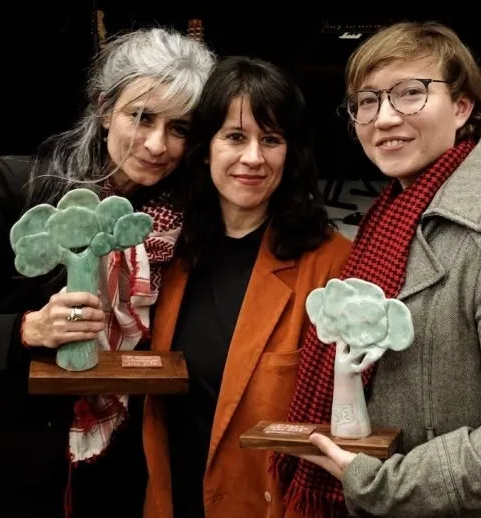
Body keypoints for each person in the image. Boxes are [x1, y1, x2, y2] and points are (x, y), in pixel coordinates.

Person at [271, 21, 481, 518]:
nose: (385, 118)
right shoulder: (391, 216)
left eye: (411, 93)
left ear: (462, 106)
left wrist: (380, 484)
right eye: (367, 101)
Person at [0, 27, 215, 518]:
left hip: (123, 460)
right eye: (141, 117)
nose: (157, 144)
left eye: (179, 128)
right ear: (104, 108)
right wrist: (26, 329)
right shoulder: (11, 187)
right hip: (12, 460)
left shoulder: (191, 220)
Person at [142, 55, 352, 518]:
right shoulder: (168, 253)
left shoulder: (332, 266)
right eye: (235, 137)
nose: (253, 158)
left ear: (291, 153)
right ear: (205, 149)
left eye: (271, 139)